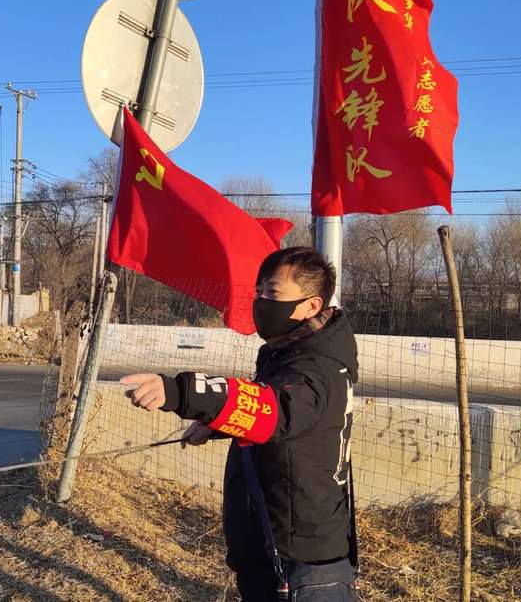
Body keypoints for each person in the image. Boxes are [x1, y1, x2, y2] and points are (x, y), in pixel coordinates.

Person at [121, 246, 359, 601]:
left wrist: (180, 392)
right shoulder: (290, 355)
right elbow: (279, 419)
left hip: (305, 565)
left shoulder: (318, 368)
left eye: (274, 293)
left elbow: (273, 409)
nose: (262, 301)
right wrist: (218, 424)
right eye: (260, 291)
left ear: (312, 305)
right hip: (271, 547)